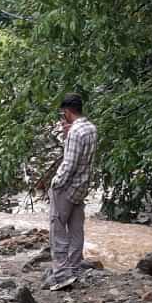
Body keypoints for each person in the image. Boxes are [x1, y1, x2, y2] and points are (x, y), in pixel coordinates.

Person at [46, 93, 97, 291]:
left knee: (58, 229)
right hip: (82, 186)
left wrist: (56, 183)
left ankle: (61, 274)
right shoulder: (91, 128)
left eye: (63, 113)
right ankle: (74, 269)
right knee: (76, 229)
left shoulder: (76, 132)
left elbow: (70, 163)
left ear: (67, 111)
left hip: (67, 187)